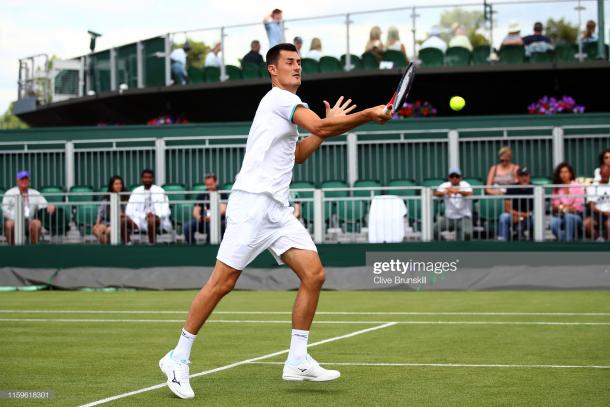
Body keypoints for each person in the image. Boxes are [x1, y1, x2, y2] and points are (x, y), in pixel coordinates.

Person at [158, 43, 391, 400]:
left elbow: (297, 153)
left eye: (299, 62)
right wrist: (367, 114)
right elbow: (323, 127)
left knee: (313, 274)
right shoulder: (279, 99)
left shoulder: (291, 108)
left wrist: (328, 127)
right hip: (252, 205)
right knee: (222, 283)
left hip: (277, 211)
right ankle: (177, 357)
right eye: (289, 62)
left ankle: (297, 359)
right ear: (272, 69)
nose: (297, 67)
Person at [2, 170, 55, 245]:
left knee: (37, 223)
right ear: (17, 181)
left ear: (29, 181)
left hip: (29, 221)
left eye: (26, 179)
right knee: (9, 224)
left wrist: (50, 205)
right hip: (14, 220)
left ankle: (33, 249)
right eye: (21, 179)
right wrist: (18, 218)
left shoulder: (34, 193)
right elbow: (5, 210)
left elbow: (44, 204)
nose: (24, 181)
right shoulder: (9, 193)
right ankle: (13, 249)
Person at [125, 169, 172, 244]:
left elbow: (166, 210)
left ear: (153, 179)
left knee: (151, 220)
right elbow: (128, 210)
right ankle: (127, 244)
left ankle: (152, 244)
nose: (147, 179)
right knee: (123, 221)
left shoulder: (160, 191)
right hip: (139, 220)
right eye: (145, 177)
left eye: (149, 177)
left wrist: (156, 216)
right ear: (142, 179)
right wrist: (144, 216)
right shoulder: (136, 191)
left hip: (157, 220)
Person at [183, 173, 228, 244]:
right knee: (187, 226)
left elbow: (222, 210)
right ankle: (191, 247)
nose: (209, 186)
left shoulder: (222, 194)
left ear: (216, 182)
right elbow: (195, 212)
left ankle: (209, 247)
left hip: (218, 220)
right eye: (207, 184)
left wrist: (212, 218)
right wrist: (200, 217)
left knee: (212, 227)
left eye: (211, 184)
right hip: (203, 220)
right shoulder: (202, 195)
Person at [433, 167, 473, 240]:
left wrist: (458, 191)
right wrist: (445, 192)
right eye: (452, 176)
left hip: (464, 217)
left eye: (457, 176)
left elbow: (470, 193)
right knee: (433, 230)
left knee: (467, 233)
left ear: (460, 177)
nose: (454, 178)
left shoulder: (465, 184)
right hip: (449, 218)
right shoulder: (445, 185)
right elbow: (435, 193)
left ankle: (461, 249)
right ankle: (445, 245)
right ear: (449, 178)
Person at [92, 175, 134, 244]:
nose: (119, 186)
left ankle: (110, 247)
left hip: (121, 223)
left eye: (120, 184)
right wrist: (97, 224)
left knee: (110, 230)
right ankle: (106, 245)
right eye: (116, 184)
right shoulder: (106, 199)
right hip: (107, 222)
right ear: (112, 186)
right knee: (95, 230)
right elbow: (100, 214)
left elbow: (129, 213)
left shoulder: (126, 198)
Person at [550, 162, 584, 242]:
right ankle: (564, 240)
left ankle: (568, 242)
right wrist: (566, 208)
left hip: (576, 216)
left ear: (570, 174)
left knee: (568, 217)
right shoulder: (556, 188)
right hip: (559, 215)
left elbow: (577, 208)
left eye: (566, 172)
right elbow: (554, 206)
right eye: (561, 172)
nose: (563, 174)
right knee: (553, 223)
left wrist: (562, 207)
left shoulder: (577, 187)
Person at [498, 167, 534, 241]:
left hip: (529, 217)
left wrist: (525, 216)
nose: (524, 178)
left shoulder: (535, 188)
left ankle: (537, 242)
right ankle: (503, 242)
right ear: (517, 177)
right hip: (514, 216)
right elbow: (507, 209)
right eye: (521, 175)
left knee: (536, 218)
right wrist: (521, 215)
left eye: (526, 175)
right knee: (504, 217)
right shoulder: (511, 188)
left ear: (529, 177)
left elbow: (538, 209)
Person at [584, 164, 610, 241]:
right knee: (586, 223)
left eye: (607, 173)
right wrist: (603, 212)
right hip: (596, 214)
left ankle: (606, 242)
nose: (605, 175)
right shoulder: (593, 187)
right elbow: (592, 206)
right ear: (600, 174)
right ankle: (598, 239)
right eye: (604, 174)